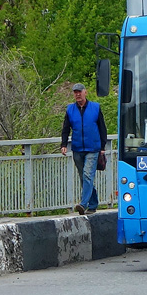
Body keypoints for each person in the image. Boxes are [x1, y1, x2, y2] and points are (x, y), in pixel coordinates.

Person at [60, 82, 108, 215]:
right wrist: (64, 144)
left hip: (93, 148)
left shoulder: (95, 108)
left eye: (79, 91)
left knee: (87, 175)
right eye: (75, 92)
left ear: (85, 92)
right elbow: (65, 129)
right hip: (77, 148)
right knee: (84, 177)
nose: (77, 94)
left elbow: (102, 128)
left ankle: (83, 204)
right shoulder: (70, 109)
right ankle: (93, 204)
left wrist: (102, 147)